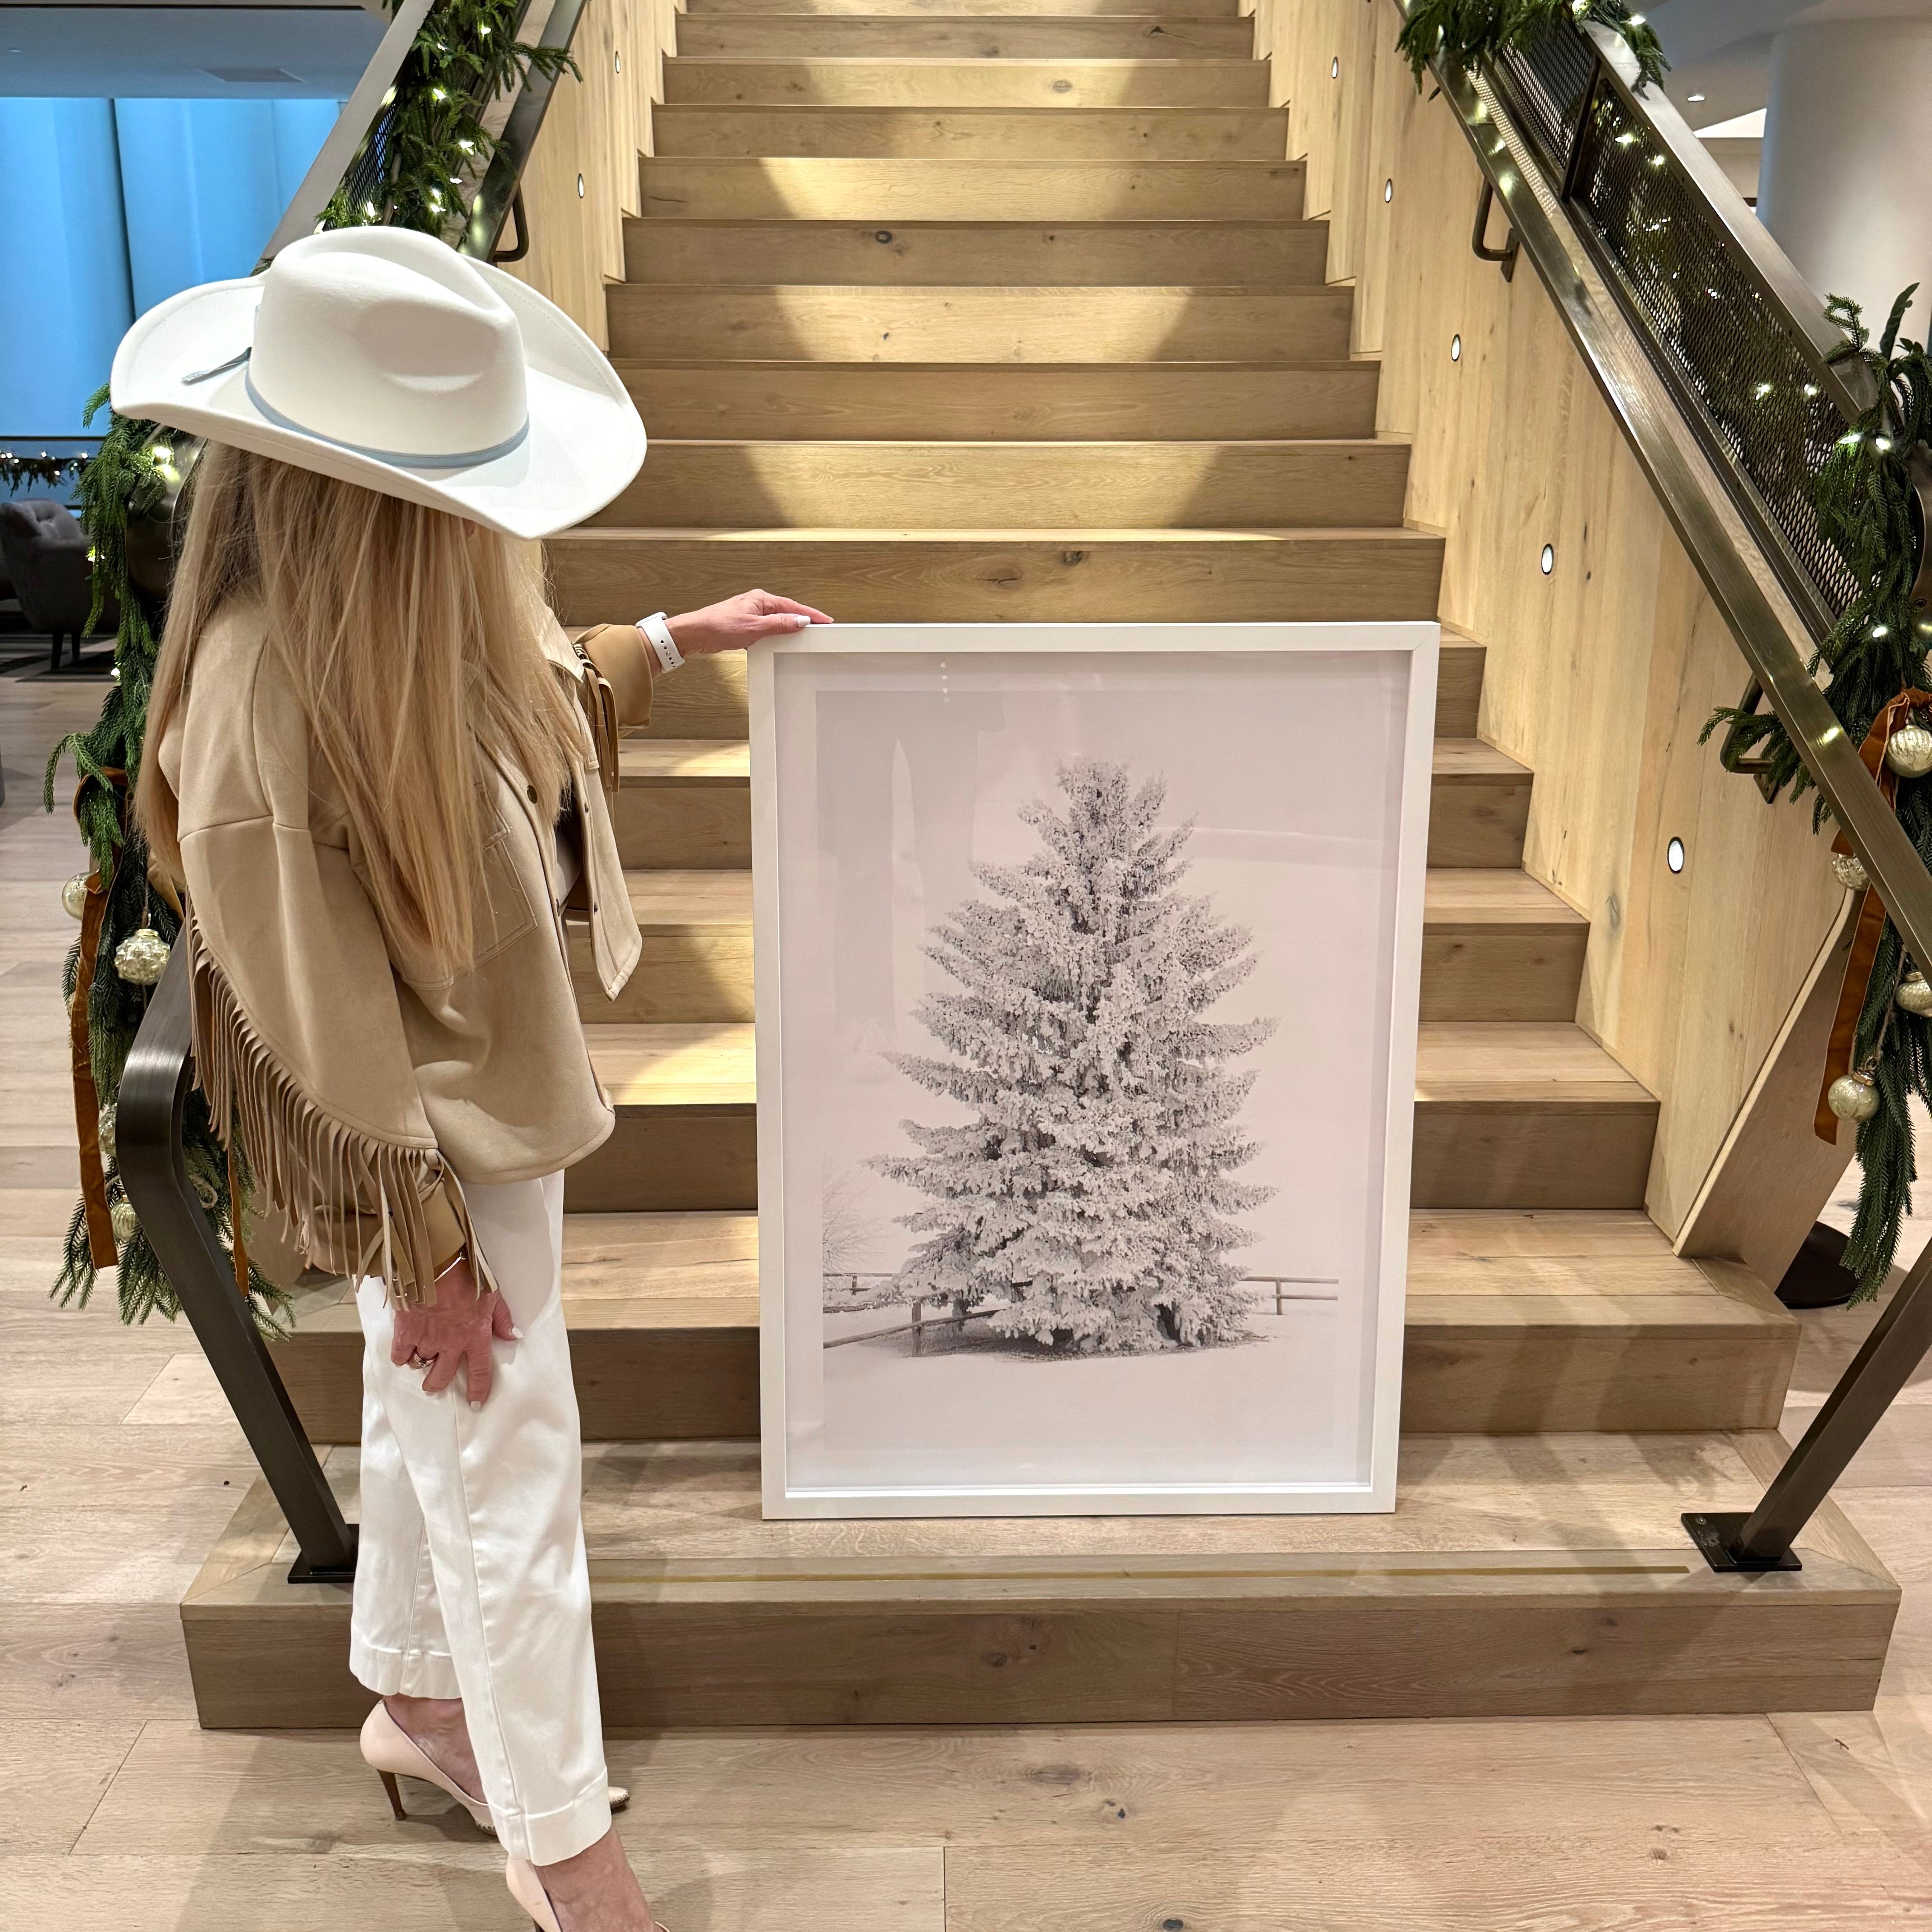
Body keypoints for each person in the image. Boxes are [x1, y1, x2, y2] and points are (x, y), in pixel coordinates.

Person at [117, 225, 830, 1932]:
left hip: (478, 1109)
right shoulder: (257, 698)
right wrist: (416, 1232)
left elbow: (510, 711)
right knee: (507, 1453)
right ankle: (562, 1844)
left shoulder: (397, 605)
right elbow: (297, 989)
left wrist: (667, 634)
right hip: (420, 1137)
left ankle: (422, 1698)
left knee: (435, 1407)